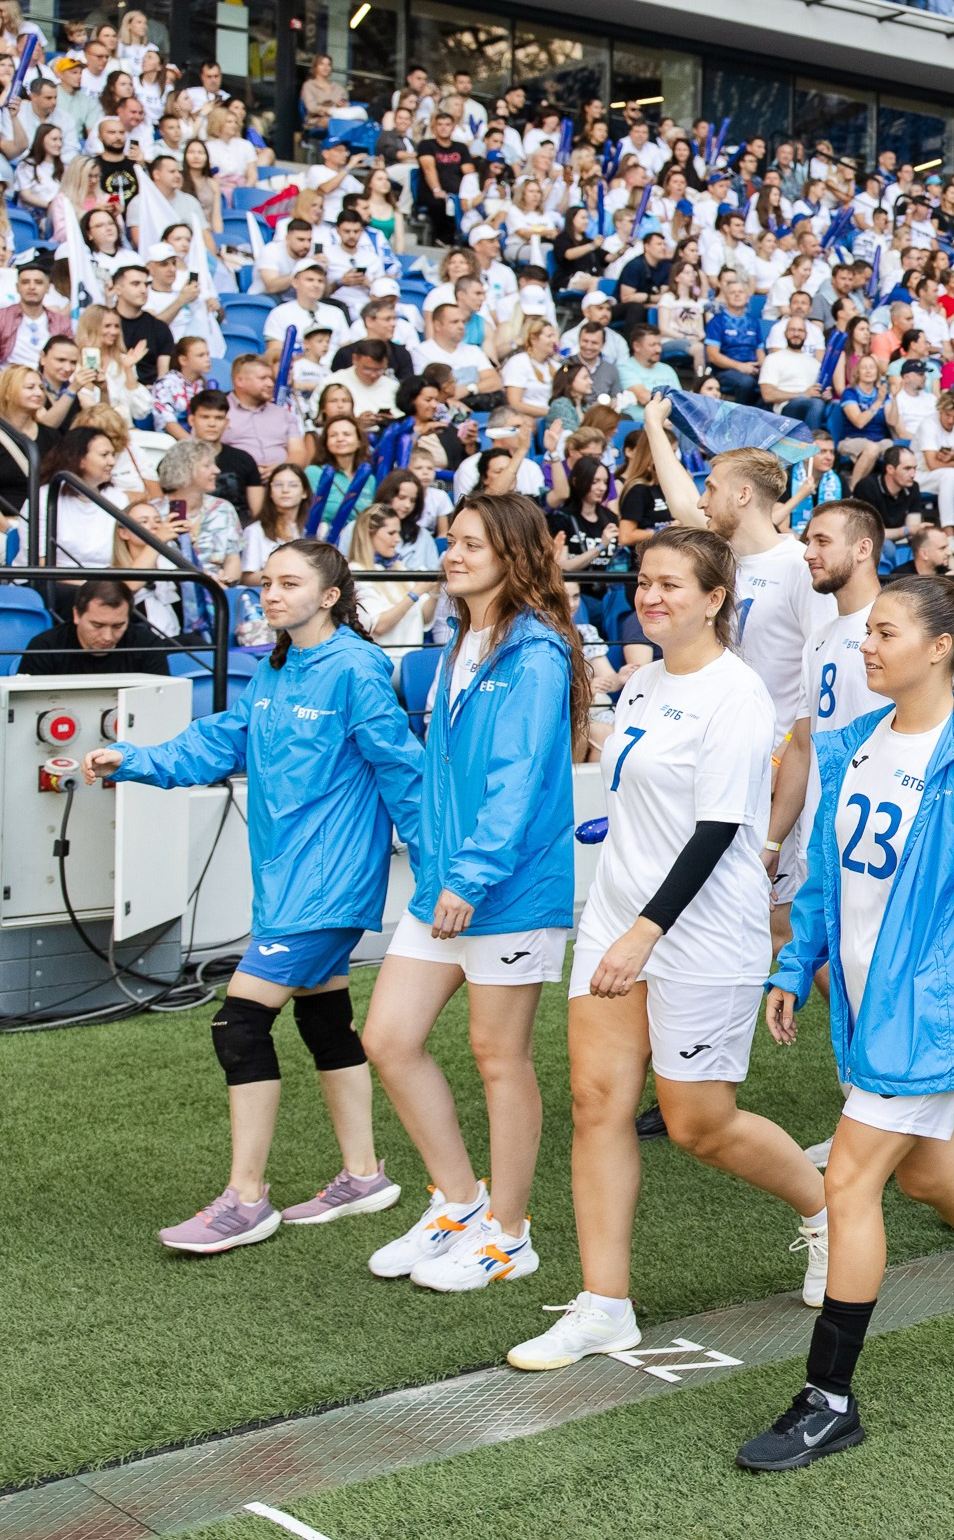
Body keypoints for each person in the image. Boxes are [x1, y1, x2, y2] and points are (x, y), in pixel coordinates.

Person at [745, 575, 954, 1472]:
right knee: (934, 1175)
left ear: (939, 646)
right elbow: (825, 878)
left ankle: (828, 1399)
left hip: (926, 1020)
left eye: (884, 631)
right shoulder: (853, 743)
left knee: (848, 1185)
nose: (865, 643)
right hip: (866, 1008)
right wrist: (793, 961)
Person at [508, 528, 831, 1370]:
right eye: (644, 582)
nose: (650, 596)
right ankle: (603, 1304)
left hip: (697, 932)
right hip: (618, 921)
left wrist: (645, 933)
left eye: (671, 585)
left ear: (716, 598)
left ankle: (824, 1206)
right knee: (596, 1105)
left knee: (699, 1123)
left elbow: (722, 828)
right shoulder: (645, 682)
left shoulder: (738, 693)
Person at [88, 542, 423, 1252]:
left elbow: (404, 771)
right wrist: (135, 760)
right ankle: (363, 1174)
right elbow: (222, 741)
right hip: (285, 881)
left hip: (329, 887)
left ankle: (246, 1198)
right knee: (325, 1019)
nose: (269, 592)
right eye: (266, 581)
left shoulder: (358, 669)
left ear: (331, 594)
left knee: (238, 1026)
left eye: (288, 582)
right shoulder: (275, 668)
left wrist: (443, 874)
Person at [362, 494, 585, 1291]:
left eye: (470, 544)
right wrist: (439, 868)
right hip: (446, 884)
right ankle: (459, 1200)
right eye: (448, 540)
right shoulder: (460, 637)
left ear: (513, 555)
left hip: (507, 889)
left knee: (499, 1058)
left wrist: (471, 873)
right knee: (388, 1037)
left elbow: (517, 780)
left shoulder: (537, 652)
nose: (452, 554)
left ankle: (509, 1233)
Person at [642, 396, 831, 955]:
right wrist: (656, 426)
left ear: (743, 495)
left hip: (779, 771)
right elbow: (680, 501)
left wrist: (786, 786)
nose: (702, 499)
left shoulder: (798, 566)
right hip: (724, 753)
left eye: (713, 489)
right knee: (732, 908)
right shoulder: (719, 559)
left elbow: (812, 696)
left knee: (783, 922)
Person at [768, 497, 894, 1172]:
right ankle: (867, 1114)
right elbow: (805, 742)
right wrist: (772, 840)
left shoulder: (892, 626)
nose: (808, 552)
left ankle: (886, 1124)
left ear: (864, 548)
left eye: (820, 541)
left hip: (877, 841)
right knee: (833, 969)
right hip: (828, 842)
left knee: (874, 974)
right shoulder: (823, 636)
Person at [18, 577, 172, 675]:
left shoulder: (147, 645)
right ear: (77, 614)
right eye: (97, 625)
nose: (107, 637)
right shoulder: (45, 647)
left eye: (118, 626)